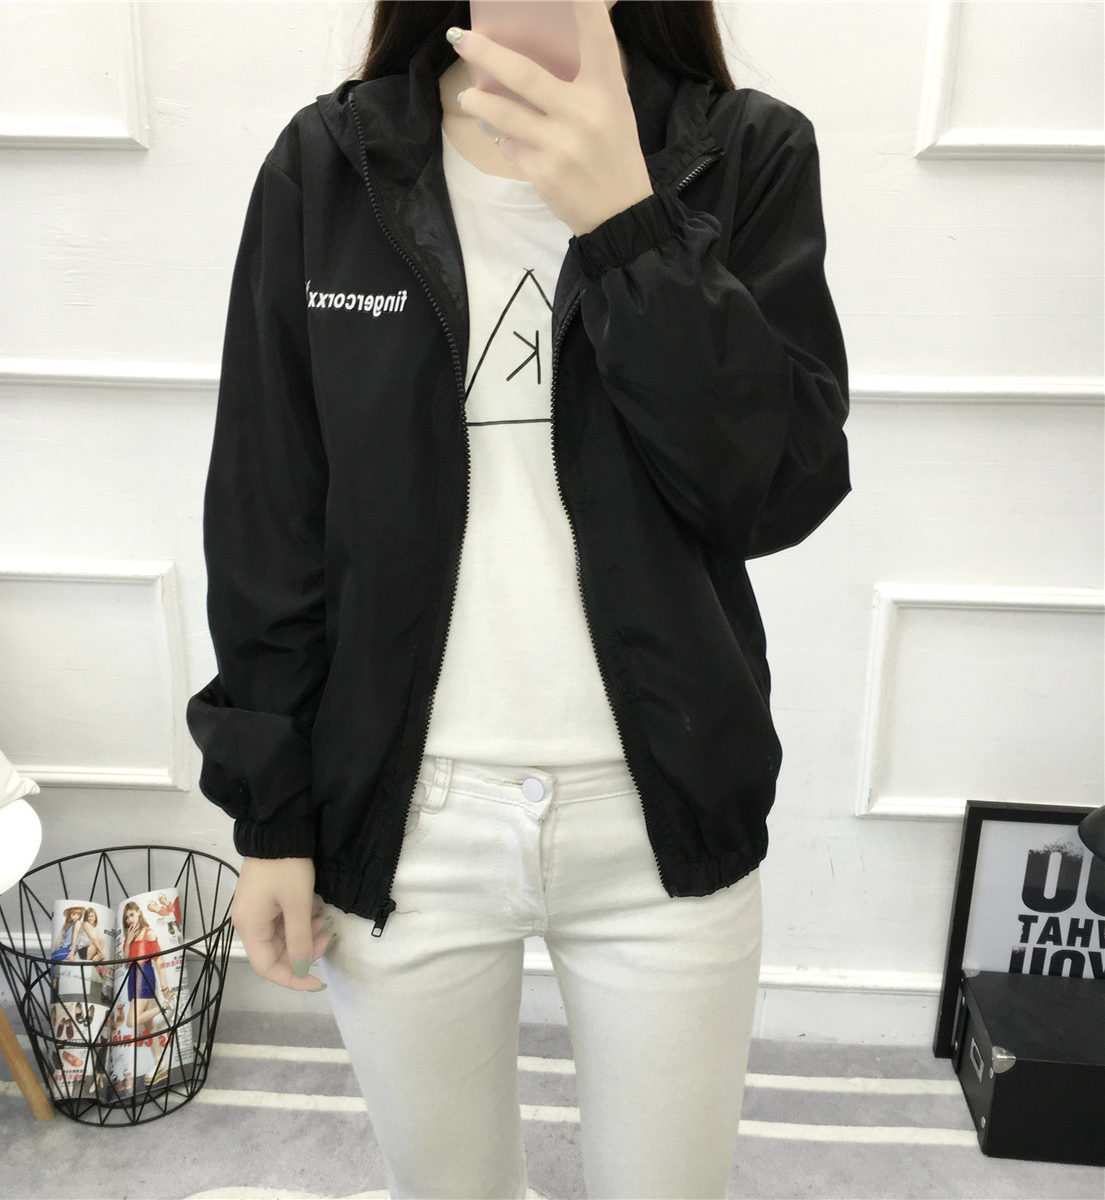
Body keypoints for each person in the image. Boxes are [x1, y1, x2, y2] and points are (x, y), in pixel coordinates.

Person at [186, 2, 851, 1196]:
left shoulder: (747, 150)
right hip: (401, 818)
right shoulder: (328, 167)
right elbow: (269, 511)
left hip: (662, 816)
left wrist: (628, 223)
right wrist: (270, 816)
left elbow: (776, 493)